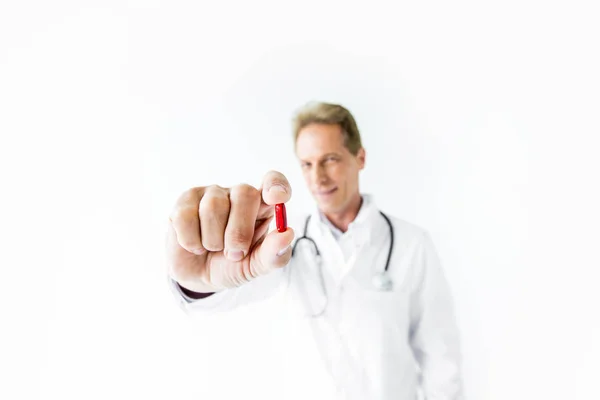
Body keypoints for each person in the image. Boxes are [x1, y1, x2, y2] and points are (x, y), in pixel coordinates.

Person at [165, 101, 463, 399]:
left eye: (330, 160)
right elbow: (224, 295)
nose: (317, 178)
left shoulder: (412, 245)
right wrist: (198, 280)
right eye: (307, 164)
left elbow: (441, 362)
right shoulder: (281, 242)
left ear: (360, 158)